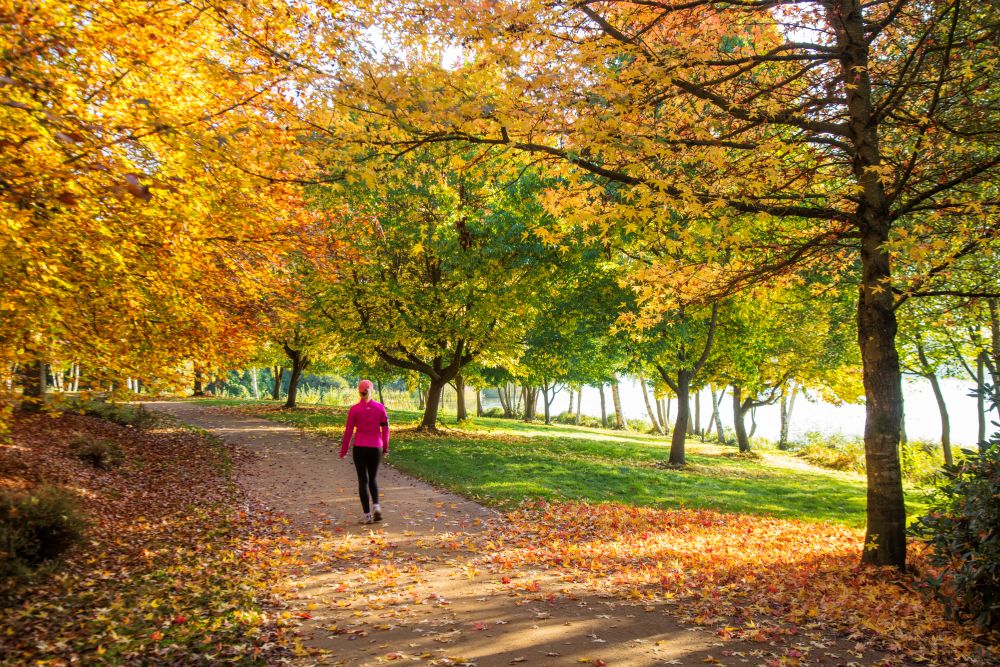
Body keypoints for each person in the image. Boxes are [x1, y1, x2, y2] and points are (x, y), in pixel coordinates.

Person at [339, 379, 389, 524]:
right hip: (375, 447)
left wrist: (344, 450)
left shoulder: (354, 409)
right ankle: (376, 506)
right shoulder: (380, 408)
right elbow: (385, 430)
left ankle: (367, 516)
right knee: (373, 478)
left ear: (359, 392)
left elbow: (348, 431)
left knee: (363, 480)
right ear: (371, 390)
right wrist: (385, 447)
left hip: (360, 447)